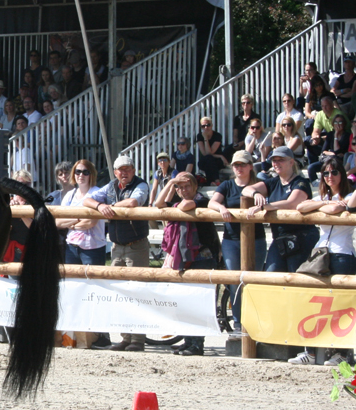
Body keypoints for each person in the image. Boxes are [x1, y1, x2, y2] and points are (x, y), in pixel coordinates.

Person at [292, 158, 356, 365]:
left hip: (342, 253)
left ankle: (342, 353)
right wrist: (325, 202)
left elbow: (335, 211)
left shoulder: (350, 195)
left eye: (334, 172)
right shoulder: (323, 196)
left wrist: (323, 206)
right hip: (321, 253)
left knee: (341, 305)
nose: (330, 177)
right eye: (326, 173)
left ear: (342, 174)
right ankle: (310, 352)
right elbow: (301, 206)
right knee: (315, 302)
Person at [83, 155, 151, 351]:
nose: (124, 172)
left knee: (137, 291)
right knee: (120, 292)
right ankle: (125, 337)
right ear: (115, 172)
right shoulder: (111, 186)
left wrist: (109, 207)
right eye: (120, 169)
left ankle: (138, 340)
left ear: (133, 170)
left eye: (127, 168)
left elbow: (133, 203)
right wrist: (100, 206)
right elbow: (87, 200)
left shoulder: (141, 185)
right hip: (116, 246)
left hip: (136, 245)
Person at [155, 172, 219, 356]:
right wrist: (171, 182)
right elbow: (158, 204)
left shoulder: (201, 200)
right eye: (180, 187)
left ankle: (197, 344)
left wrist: (176, 187)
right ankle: (189, 340)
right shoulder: (176, 200)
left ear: (195, 187)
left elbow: (186, 205)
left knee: (198, 301)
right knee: (184, 301)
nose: (183, 190)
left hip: (202, 256)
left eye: (187, 186)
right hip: (184, 257)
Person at [209, 150, 265, 334]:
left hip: (255, 238)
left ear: (250, 166)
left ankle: (256, 321)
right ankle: (238, 322)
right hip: (231, 239)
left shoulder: (260, 185)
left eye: (242, 164)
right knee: (234, 281)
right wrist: (222, 207)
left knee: (254, 279)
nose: (239, 168)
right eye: (236, 165)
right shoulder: (227, 185)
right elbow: (212, 203)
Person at [55, 160, 110, 349]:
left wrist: (71, 222)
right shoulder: (69, 195)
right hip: (72, 246)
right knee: (72, 288)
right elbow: (57, 222)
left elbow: (91, 222)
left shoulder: (98, 193)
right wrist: (77, 220)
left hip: (92, 247)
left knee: (94, 289)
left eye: (85, 172)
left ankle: (101, 335)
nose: (81, 175)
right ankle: (74, 334)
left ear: (91, 174)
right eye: (78, 172)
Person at [244, 146, 320, 274]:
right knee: (271, 276)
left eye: (281, 160)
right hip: (279, 238)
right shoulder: (273, 182)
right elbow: (246, 190)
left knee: (296, 277)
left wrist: (264, 206)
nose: (276, 163)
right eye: (274, 160)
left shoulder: (301, 182)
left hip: (301, 238)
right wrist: (256, 194)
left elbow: (292, 203)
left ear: (291, 162)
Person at [195, 116, 224, 184]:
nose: (206, 128)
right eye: (203, 126)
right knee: (208, 159)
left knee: (209, 159)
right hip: (205, 161)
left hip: (217, 162)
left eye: (208, 125)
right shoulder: (199, 136)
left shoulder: (217, 135)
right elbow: (205, 153)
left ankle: (211, 181)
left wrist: (205, 139)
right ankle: (216, 180)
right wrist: (220, 156)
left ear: (212, 125)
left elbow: (210, 152)